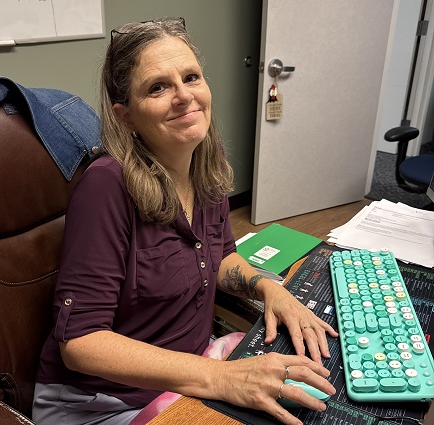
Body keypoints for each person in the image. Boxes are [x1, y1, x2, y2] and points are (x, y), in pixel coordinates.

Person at [32, 17, 338, 425]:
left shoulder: (205, 169)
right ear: (125, 117)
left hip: (189, 373)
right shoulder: (106, 186)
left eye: (191, 77)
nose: (183, 96)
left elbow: (222, 256)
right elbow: (81, 342)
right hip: (104, 403)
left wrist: (269, 288)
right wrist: (221, 377)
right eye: (157, 87)